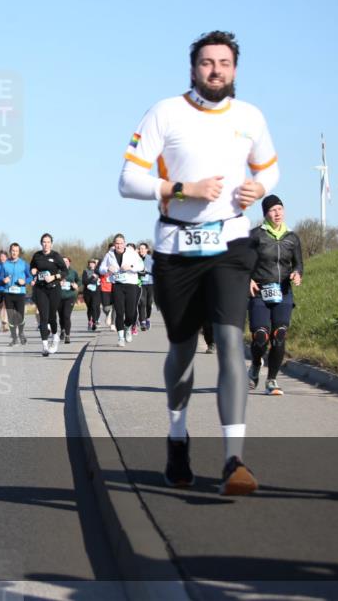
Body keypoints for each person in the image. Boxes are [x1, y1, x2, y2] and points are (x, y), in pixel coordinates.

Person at [118, 30, 278, 495]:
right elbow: (128, 179)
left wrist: (260, 187)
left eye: (224, 63)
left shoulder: (251, 117)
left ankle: (234, 460)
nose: (215, 71)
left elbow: (269, 167)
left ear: (234, 69)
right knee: (183, 350)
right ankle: (176, 436)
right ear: (194, 69)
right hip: (176, 248)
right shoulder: (165, 113)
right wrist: (182, 189)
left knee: (230, 341)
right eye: (207, 63)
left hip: (231, 241)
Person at [247, 194, 303, 396]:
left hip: (283, 292)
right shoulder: (255, 236)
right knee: (261, 336)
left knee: (279, 335)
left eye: (280, 208)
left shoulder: (292, 237)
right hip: (260, 292)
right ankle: (254, 365)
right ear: (265, 214)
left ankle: (271, 380)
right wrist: (248, 279)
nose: (277, 213)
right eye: (272, 210)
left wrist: (297, 274)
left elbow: (298, 264)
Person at [99, 234, 143, 347]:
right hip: (117, 285)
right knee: (119, 312)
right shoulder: (109, 255)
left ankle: (128, 327)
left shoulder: (131, 253)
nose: (119, 245)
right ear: (114, 244)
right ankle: (120, 337)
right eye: (116, 243)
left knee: (131, 313)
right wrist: (108, 268)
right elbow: (101, 269)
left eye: (121, 243)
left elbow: (141, 266)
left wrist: (131, 267)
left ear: (124, 243)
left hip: (131, 285)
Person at [30, 234, 68, 356]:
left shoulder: (56, 256)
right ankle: (45, 346)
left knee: (52, 317)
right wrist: (33, 271)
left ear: (51, 243)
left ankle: (55, 337)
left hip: (54, 289)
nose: (46, 244)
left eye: (48, 242)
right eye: (44, 242)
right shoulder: (37, 255)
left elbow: (65, 271)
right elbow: (32, 268)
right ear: (41, 243)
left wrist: (54, 276)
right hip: (41, 289)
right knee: (43, 317)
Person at [0, 242, 32, 346]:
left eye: (16, 251)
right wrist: (3, 280)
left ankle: (21, 333)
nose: (14, 253)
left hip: (20, 293)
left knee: (20, 316)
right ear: (10, 251)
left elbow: (30, 277)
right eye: (13, 251)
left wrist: (25, 281)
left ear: (19, 252)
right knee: (10, 317)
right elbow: (0, 277)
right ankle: (14, 338)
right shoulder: (5, 264)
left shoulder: (24, 264)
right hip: (8, 293)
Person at [58, 256, 80, 344]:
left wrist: (76, 285)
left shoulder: (73, 272)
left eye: (66, 261)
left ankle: (67, 335)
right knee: (61, 316)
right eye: (63, 261)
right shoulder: (57, 272)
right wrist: (58, 283)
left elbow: (79, 281)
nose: (65, 262)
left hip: (70, 296)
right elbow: (52, 281)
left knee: (66, 315)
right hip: (59, 297)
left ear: (69, 262)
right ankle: (62, 330)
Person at [137, 243, 155, 331]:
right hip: (141, 283)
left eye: (143, 248)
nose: (141, 250)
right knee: (142, 302)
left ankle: (147, 318)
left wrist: (148, 271)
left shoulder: (151, 259)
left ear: (147, 250)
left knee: (149, 303)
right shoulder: (136, 259)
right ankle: (142, 322)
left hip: (151, 283)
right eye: (140, 249)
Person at [81, 258, 101, 332]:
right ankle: (90, 321)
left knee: (94, 306)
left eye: (93, 263)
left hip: (96, 292)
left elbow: (102, 280)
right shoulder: (85, 271)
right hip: (87, 292)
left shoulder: (99, 271)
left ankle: (95, 322)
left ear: (95, 264)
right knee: (89, 307)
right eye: (90, 263)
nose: (91, 264)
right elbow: (84, 281)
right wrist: (92, 277)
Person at [99, 243, 115, 329]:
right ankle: (108, 313)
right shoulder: (103, 260)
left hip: (115, 286)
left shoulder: (119, 260)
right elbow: (98, 271)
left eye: (114, 249)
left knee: (115, 306)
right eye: (111, 249)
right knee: (105, 307)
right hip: (105, 286)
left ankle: (113, 323)